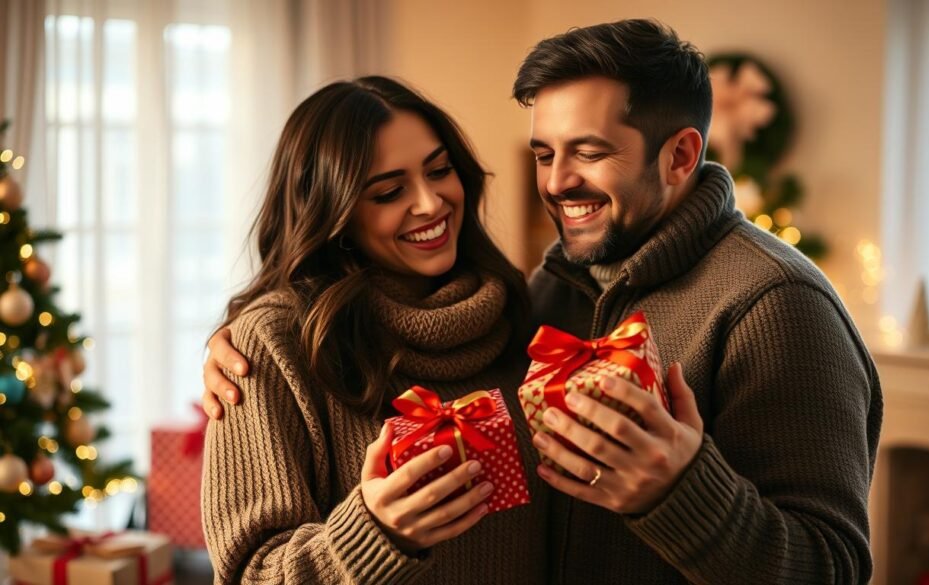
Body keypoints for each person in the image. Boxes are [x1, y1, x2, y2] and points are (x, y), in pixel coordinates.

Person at [204, 20, 882, 584]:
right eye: (543, 153)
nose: (556, 184)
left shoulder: (774, 303)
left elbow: (834, 568)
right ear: (335, 212)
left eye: (587, 153)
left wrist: (679, 493)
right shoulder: (547, 294)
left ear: (680, 157)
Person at [199, 76, 551, 584]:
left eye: (440, 170)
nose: (431, 204)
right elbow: (249, 574)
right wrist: (376, 533)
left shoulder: (518, 309)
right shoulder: (269, 346)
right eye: (389, 192)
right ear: (333, 214)